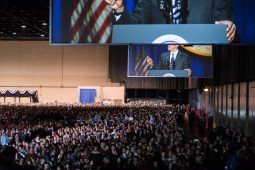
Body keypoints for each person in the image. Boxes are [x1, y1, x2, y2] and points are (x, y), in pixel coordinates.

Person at [105, 0, 237, 42]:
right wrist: (120, 9)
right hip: (160, 65)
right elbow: (133, 27)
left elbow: (223, 25)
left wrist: (229, 30)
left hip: (201, 63)